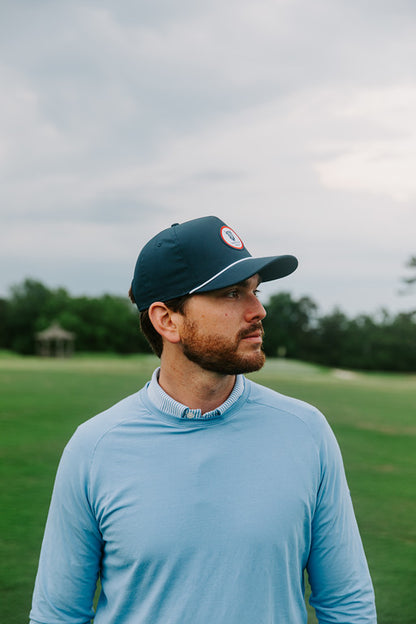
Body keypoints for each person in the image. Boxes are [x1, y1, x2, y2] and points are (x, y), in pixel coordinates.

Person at [29, 216, 377, 624]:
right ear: (167, 320)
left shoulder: (307, 432)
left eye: (255, 290)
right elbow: (57, 616)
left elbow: (348, 606)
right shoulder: (93, 447)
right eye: (232, 293)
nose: (258, 310)